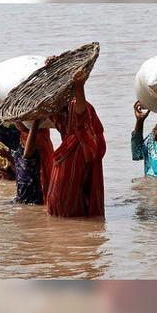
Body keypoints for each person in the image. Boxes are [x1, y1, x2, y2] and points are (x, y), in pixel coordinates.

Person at [45, 69, 106, 218]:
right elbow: (80, 119)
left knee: (67, 196)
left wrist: (79, 85)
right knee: (65, 196)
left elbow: (81, 116)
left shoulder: (73, 107)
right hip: (71, 152)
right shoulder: (58, 110)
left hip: (77, 152)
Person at [0, 112, 54, 205]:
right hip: (22, 195)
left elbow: (27, 155)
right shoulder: (20, 137)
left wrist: (36, 121)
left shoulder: (38, 139)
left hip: (34, 198)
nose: (16, 122)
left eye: (18, 120)